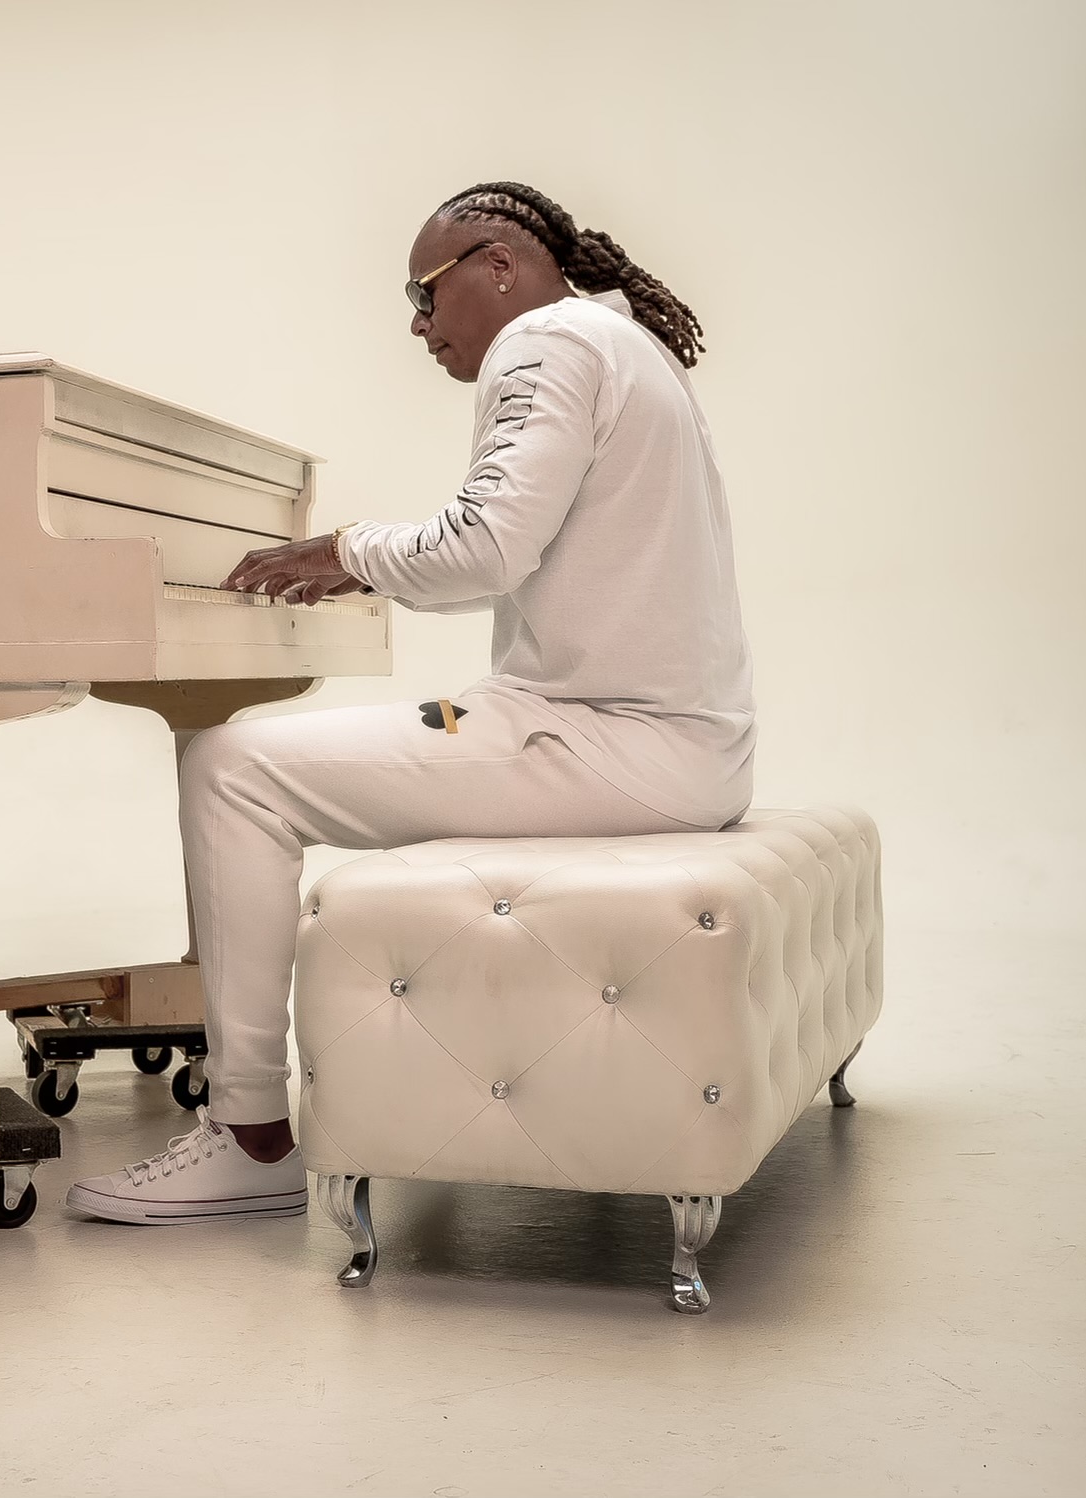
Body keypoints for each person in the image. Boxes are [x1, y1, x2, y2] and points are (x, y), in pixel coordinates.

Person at [64, 180, 757, 1225]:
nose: (419, 325)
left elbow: (485, 545)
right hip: (671, 742)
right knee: (278, 754)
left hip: (612, 742)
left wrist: (343, 551)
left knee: (229, 769)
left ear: (498, 265)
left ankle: (248, 1133)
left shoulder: (546, 342)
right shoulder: (622, 345)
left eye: (423, 294)